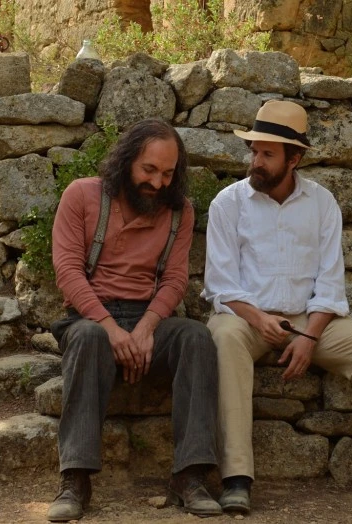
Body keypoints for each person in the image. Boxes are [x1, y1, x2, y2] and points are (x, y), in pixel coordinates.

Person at [201, 100, 352, 518]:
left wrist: (310, 335)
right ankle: (236, 479)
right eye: (254, 151)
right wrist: (259, 319)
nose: (255, 162)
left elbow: (330, 282)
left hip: (309, 320)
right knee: (223, 338)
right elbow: (221, 285)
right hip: (246, 317)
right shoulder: (228, 203)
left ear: (294, 159)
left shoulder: (322, 203)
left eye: (267, 154)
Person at [47, 118, 221, 522]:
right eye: (149, 169)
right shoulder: (82, 195)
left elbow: (175, 280)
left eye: (167, 173)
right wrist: (110, 328)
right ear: (127, 160)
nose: (158, 182)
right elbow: (68, 272)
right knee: (88, 338)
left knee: (197, 337)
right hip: (90, 318)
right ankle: (74, 480)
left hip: (149, 320)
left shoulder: (179, 212)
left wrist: (145, 329)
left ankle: (190, 477)